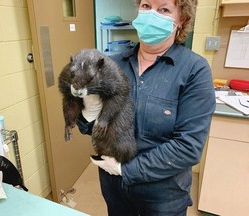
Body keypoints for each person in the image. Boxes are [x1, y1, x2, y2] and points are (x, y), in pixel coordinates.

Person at [77, 0, 216, 215]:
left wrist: (126, 169)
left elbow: (188, 146)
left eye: (164, 9)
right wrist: (87, 111)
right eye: (146, 6)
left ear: (182, 21)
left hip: (163, 192)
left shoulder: (194, 70)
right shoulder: (111, 65)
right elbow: (91, 128)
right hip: (114, 186)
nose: (151, 14)